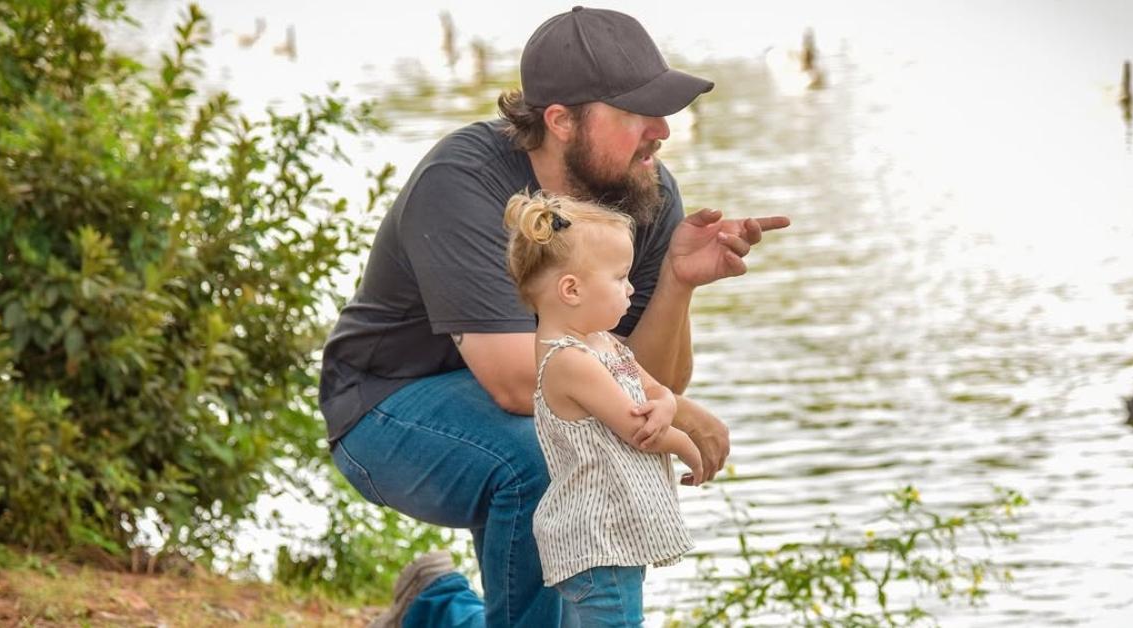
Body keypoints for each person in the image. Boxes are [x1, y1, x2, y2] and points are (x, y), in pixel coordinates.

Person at [319, 6, 789, 627]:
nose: (662, 131)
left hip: (509, 400)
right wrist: (677, 418)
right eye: (636, 113)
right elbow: (521, 385)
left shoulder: (644, 190)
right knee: (546, 452)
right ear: (561, 120)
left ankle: (433, 609)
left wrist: (677, 282)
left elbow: (647, 381)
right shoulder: (462, 181)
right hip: (384, 410)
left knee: (604, 434)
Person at [505, 190, 706, 625]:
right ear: (571, 290)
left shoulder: (603, 343)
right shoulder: (570, 362)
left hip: (615, 535)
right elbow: (639, 428)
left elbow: (657, 392)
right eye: (619, 278)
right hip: (597, 541)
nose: (631, 288)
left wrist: (668, 405)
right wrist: (687, 444)